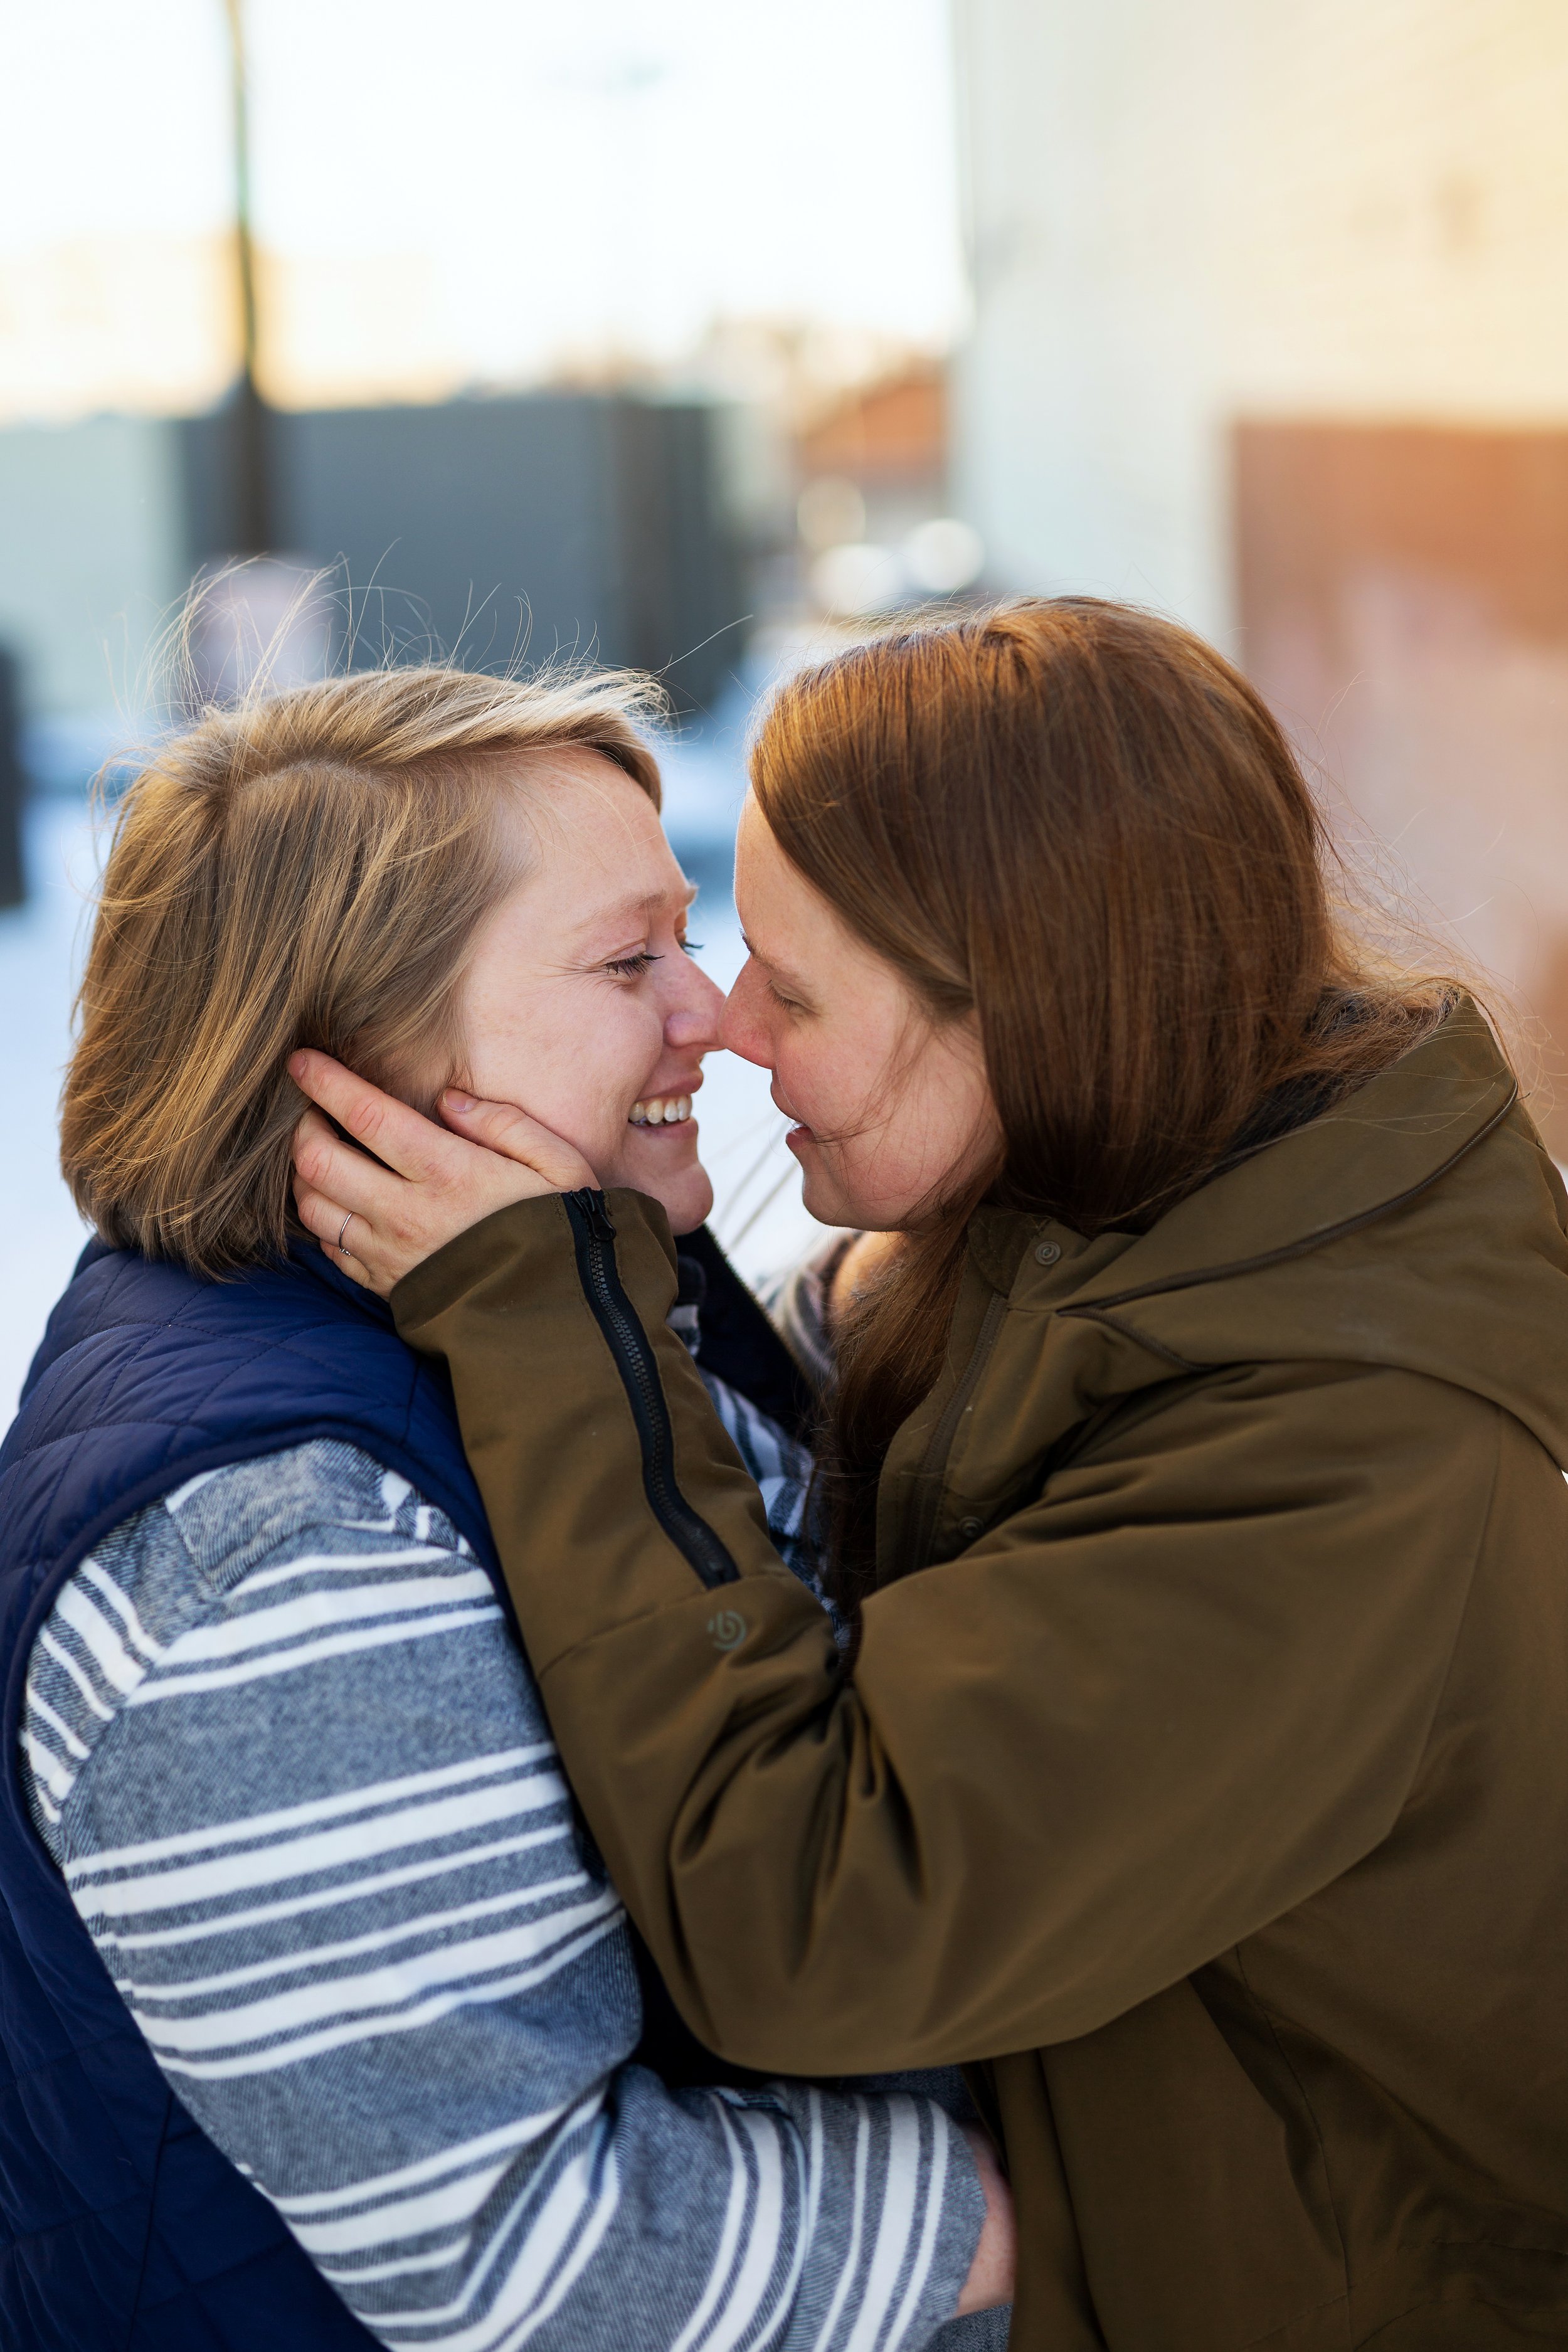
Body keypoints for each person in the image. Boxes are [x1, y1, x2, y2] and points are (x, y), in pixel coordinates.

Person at [290, 598, 1568, 2352]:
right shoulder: (1097, 1236)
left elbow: (820, 1911)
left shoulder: (1346, 1457)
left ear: (1025, 1007)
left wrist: (551, 1342)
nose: (729, 1029)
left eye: (792, 987)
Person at [0, 664, 1014, 2352]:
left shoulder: (525, 1304)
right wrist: (1087, 2202)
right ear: (350, 1067)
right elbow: (542, 2264)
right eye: (630, 963)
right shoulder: (279, 1560)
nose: (717, 1016)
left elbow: (747, 1450)